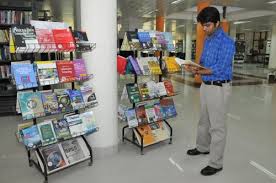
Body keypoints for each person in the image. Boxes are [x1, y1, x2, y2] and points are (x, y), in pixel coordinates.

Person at [184, 6, 235, 176]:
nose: (204, 29)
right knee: (204, 120)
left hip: (219, 87)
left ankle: (216, 163)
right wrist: (195, 67)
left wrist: (200, 71)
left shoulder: (227, 42)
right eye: (202, 26)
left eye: (207, 25)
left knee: (217, 127)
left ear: (217, 23)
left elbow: (220, 68)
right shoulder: (208, 39)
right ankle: (203, 147)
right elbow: (204, 60)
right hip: (206, 86)